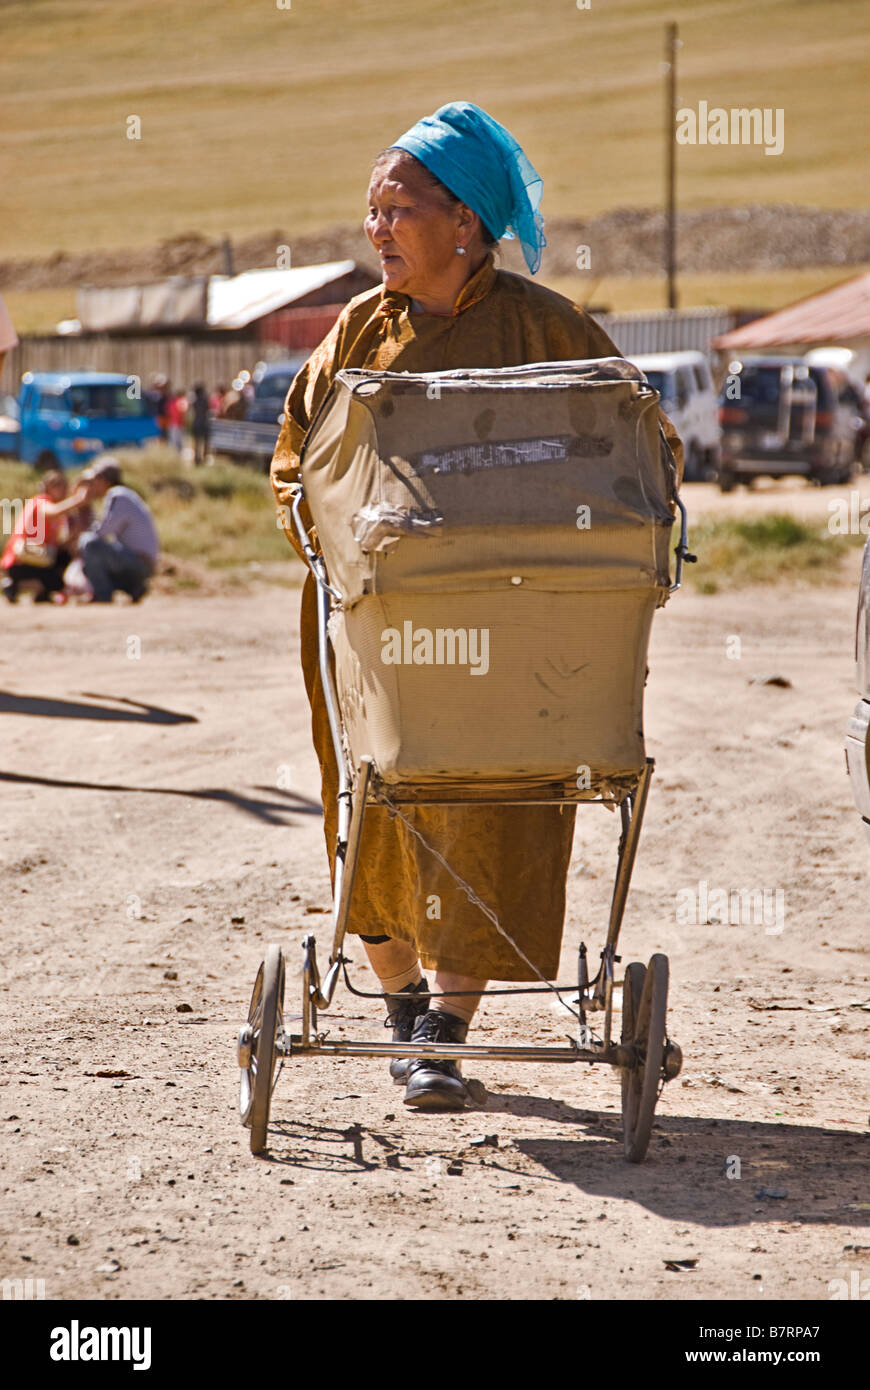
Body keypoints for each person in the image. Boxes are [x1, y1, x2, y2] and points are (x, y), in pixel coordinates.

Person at [271, 101, 683, 1113]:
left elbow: (645, 450)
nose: (376, 230)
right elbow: (294, 463)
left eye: (397, 209)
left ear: (465, 223)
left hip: (520, 627)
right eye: (372, 210)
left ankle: (444, 1030)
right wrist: (327, 533)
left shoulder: (549, 327)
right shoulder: (358, 331)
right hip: (378, 623)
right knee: (374, 797)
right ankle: (404, 1002)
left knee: (499, 803)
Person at [77, 457, 160, 603]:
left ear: (104, 480)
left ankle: (102, 595)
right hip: (140, 562)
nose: (93, 486)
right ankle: (134, 588)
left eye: (95, 481)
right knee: (91, 560)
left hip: (139, 564)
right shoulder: (124, 495)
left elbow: (102, 532)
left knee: (88, 543)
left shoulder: (117, 495)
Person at [1, 470, 85, 602]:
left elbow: (56, 543)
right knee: (56, 578)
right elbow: (53, 511)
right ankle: (14, 584)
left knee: (63, 558)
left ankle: (40, 590)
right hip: (22, 558)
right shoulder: (41, 501)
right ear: (50, 487)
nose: (65, 491)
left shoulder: (53, 509)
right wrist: (78, 500)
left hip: (38, 557)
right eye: (61, 487)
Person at [190, 382, 211, 465]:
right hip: (204, 424)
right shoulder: (204, 400)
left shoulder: (194, 401)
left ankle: (197, 458)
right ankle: (204, 457)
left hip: (196, 423)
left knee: (197, 442)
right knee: (205, 442)